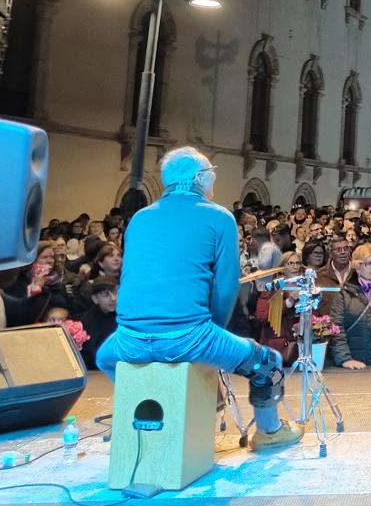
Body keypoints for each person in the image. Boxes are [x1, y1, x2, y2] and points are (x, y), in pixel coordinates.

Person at [96, 146, 302, 451]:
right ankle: (269, 432)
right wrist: (211, 332)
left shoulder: (139, 219)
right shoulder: (219, 218)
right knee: (269, 364)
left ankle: (138, 417)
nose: (213, 180)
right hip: (188, 336)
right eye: (211, 173)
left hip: (128, 340)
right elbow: (226, 286)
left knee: (104, 358)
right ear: (201, 178)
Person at [80, 278, 118, 371]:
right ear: (95, 299)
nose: (113, 299)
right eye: (106, 295)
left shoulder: (126, 317)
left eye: (115, 293)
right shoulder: (87, 321)